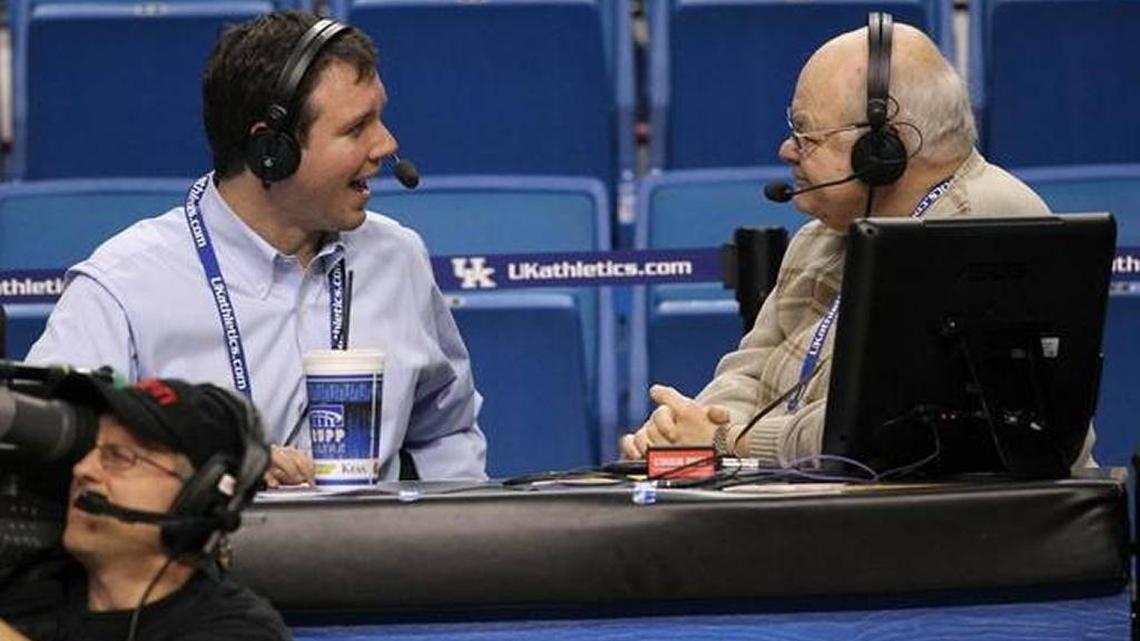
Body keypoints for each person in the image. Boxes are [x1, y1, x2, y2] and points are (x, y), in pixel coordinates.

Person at [26, 11, 486, 483]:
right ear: (272, 152)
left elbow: (446, 432)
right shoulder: (122, 288)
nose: (385, 144)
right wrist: (212, 467)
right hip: (203, 552)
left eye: (380, 117)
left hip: (372, 553)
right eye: (356, 128)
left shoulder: (398, 257)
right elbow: (50, 449)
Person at [621, 17, 1096, 468]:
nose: (787, 150)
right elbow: (747, 371)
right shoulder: (824, 232)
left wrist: (728, 441)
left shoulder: (984, 232)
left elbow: (871, 431)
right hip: (827, 511)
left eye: (806, 133)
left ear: (882, 150)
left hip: (952, 534)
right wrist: (681, 432)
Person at [0, 376, 290, 641]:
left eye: (118, 456)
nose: (83, 469)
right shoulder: (25, 599)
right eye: (90, 451)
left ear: (199, 495)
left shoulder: (239, 630)